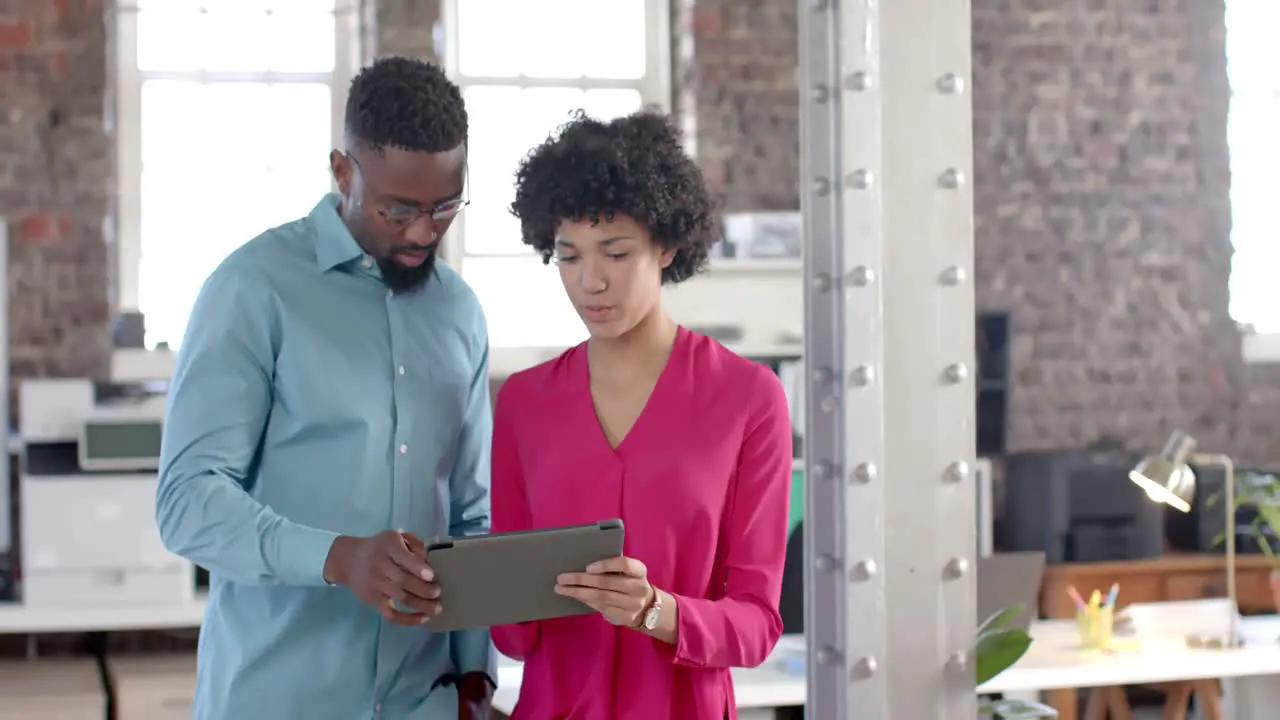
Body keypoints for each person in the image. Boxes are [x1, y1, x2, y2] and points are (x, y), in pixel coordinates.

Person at [155, 56, 494, 720]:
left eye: (445, 207)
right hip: (273, 700)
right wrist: (337, 557)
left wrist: (476, 679)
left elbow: (470, 517)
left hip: (424, 705)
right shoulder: (252, 290)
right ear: (343, 171)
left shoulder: (461, 313)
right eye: (398, 209)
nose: (424, 233)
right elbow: (187, 502)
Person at [490, 109, 794, 719]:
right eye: (569, 256)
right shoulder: (524, 403)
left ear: (667, 245)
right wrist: (483, 591)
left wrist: (656, 611)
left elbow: (757, 625)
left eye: (616, 252)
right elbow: (513, 638)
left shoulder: (748, 398)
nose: (590, 281)